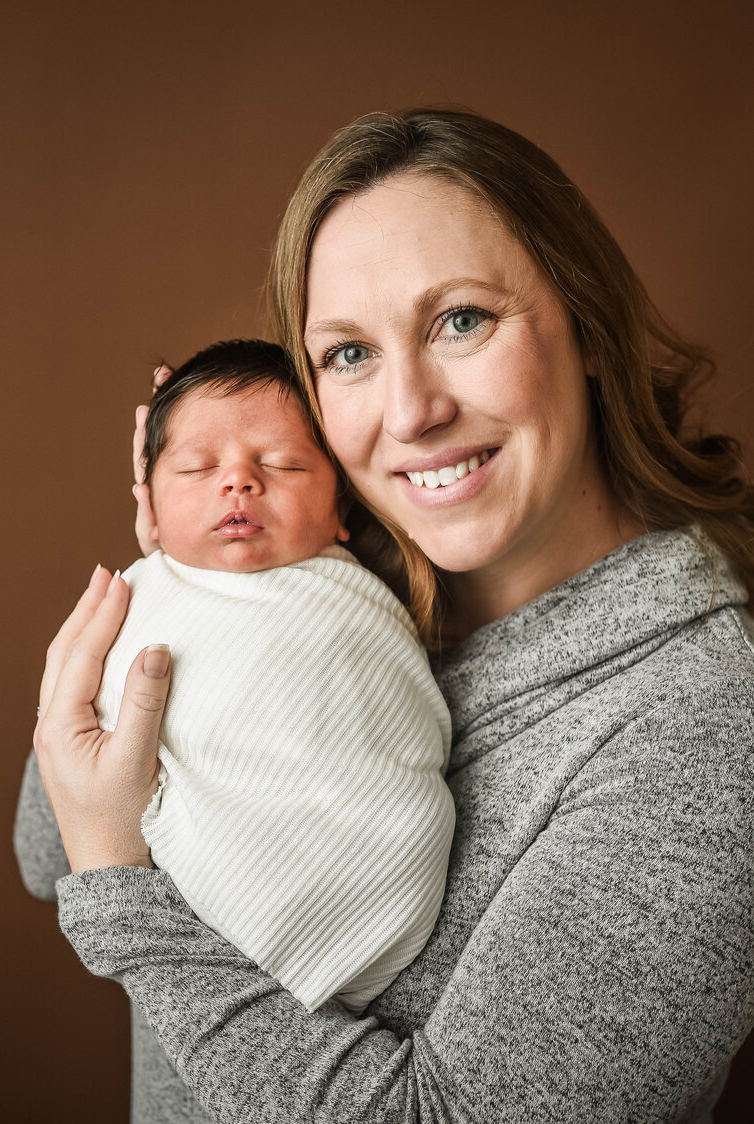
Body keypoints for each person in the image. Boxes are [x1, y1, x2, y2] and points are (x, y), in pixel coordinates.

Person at [18, 108, 754, 1123]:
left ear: (586, 325)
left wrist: (126, 903)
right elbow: (47, 846)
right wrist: (185, 588)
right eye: (349, 352)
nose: (409, 411)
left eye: (461, 321)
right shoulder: (330, 578)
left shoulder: (709, 738)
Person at [32, 337, 454, 1014]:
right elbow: (44, 853)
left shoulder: (361, 607)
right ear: (148, 501)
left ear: (344, 508)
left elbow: (386, 737)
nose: (237, 482)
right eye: (197, 468)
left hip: (365, 904)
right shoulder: (139, 603)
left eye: (283, 465)